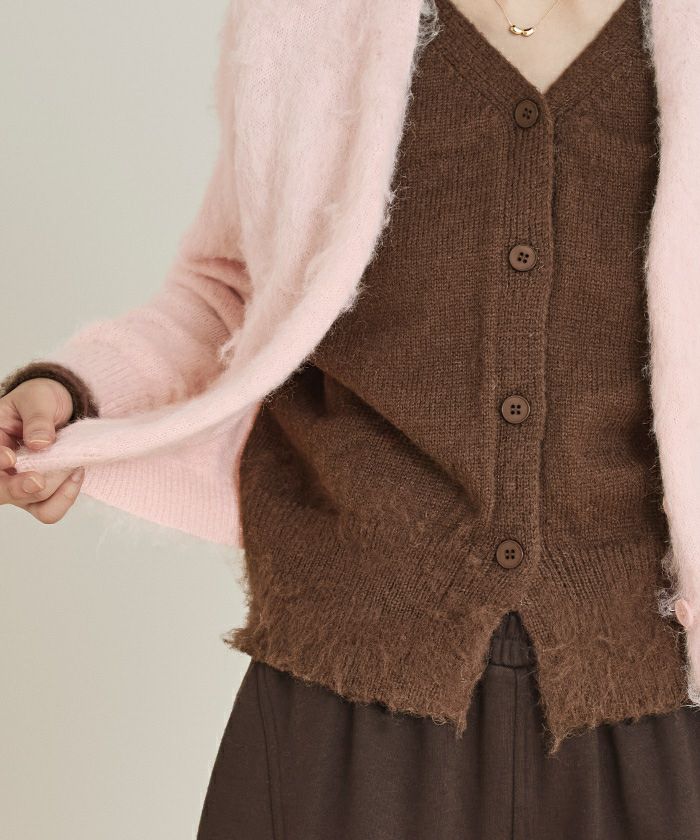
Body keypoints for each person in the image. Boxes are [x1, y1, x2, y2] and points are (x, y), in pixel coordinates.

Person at [3, 0, 700, 837]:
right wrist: (79, 393)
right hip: (347, 675)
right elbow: (235, 291)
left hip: (649, 682)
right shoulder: (310, 19)